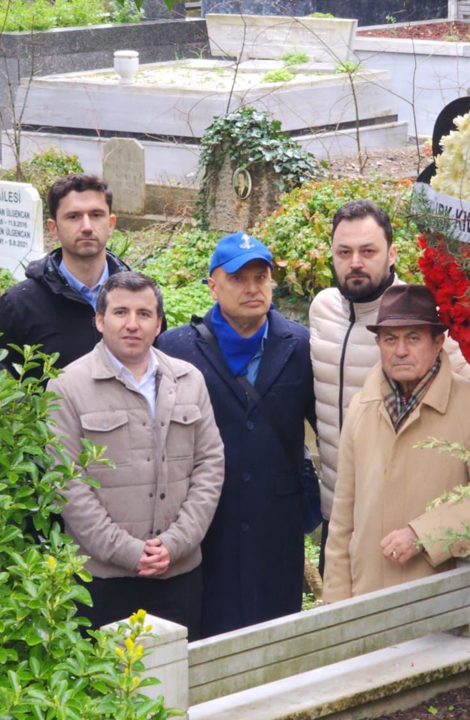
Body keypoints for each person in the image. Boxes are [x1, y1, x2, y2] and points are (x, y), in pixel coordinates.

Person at [309, 200, 470, 572]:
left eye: (368, 251)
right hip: (339, 514)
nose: (355, 262)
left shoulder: (419, 319)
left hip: (401, 519)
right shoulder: (321, 310)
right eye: (344, 252)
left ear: (392, 253)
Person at [155, 232, 319, 637]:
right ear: (213, 286)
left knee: (276, 635)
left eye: (261, 278)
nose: (252, 288)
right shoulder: (177, 348)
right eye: (238, 279)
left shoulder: (300, 345)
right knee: (208, 631)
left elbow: (326, 426)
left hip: (276, 524)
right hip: (207, 521)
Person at [48, 271, 224, 635]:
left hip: (178, 574)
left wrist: (174, 543)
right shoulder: (67, 386)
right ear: (99, 320)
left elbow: (210, 464)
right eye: (120, 312)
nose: (132, 324)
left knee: (176, 669)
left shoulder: (189, 380)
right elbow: (67, 483)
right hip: (102, 580)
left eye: (144, 314)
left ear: (158, 324)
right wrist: (128, 551)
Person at [322, 284, 470, 602]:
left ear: (438, 341)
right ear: (378, 343)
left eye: (413, 338)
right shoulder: (361, 407)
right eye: (390, 339)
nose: (400, 350)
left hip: (438, 600)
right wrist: (335, 605)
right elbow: (342, 520)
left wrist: (423, 534)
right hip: (365, 596)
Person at [0, 174, 132, 376]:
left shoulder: (139, 296)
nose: (87, 227)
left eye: (96, 215)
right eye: (73, 217)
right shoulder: (20, 305)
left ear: (111, 224)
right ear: (54, 228)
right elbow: (0, 378)